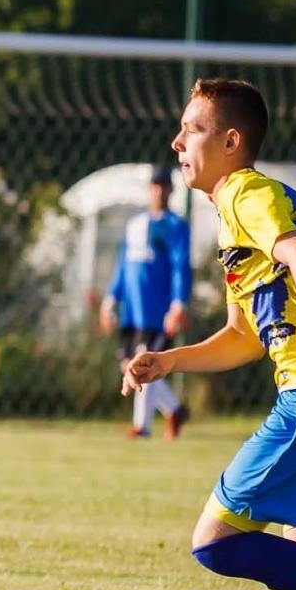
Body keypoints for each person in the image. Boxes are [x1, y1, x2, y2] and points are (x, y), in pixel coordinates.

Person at [123, 77, 296, 590]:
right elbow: (242, 339)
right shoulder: (240, 211)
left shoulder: (243, 192)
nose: (177, 143)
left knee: (216, 541)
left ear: (231, 142)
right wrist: (168, 361)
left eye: (192, 130)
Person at [99, 165, 192, 439]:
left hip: (158, 311)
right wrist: (110, 300)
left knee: (146, 365)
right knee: (129, 365)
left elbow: (180, 266)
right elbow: (123, 267)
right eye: (154, 185)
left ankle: (143, 427)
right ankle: (175, 410)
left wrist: (178, 304)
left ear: (171, 189)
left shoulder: (175, 226)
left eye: (163, 185)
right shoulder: (136, 224)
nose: (159, 190)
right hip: (133, 312)